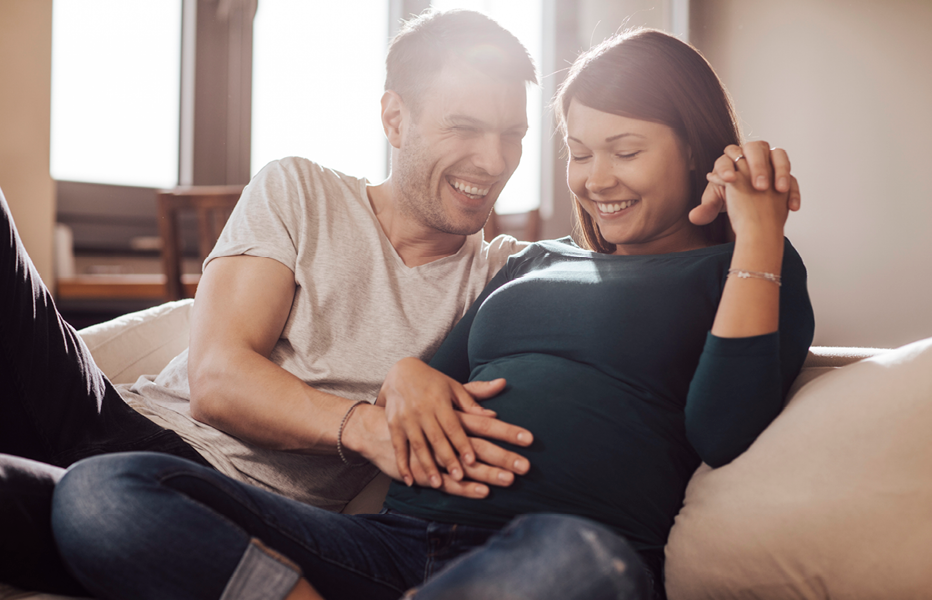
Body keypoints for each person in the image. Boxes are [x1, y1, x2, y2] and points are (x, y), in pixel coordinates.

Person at [50, 27, 815, 600]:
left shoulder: (747, 272)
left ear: (694, 149)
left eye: (625, 150)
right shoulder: (531, 263)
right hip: (387, 544)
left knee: (586, 563)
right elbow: (424, 377)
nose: (595, 179)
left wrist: (757, 234)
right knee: (103, 494)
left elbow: (725, 428)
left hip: (546, 548)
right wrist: (408, 375)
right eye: (579, 152)